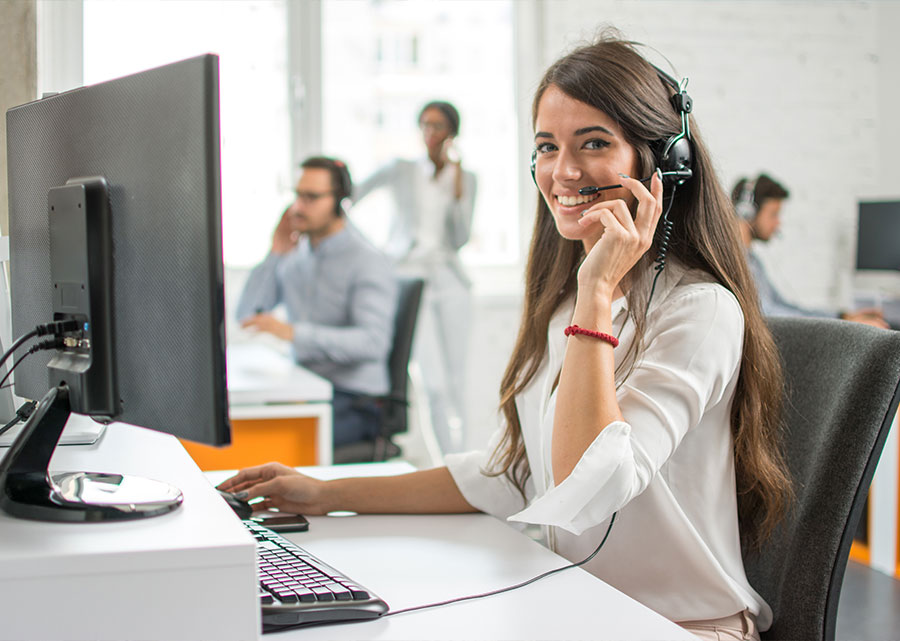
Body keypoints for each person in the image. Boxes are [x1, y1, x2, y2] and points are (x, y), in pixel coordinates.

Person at [221, 35, 794, 640]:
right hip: (580, 609)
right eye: (547, 147)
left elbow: (587, 488)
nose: (563, 171)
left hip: (681, 626)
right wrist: (326, 492)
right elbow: (512, 473)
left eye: (593, 144)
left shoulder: (699, 311)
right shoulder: (568, 303)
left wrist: (598, 287)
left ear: (663, 164)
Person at [235, 156, 398, 448]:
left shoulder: (367, 261)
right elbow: (247, 315)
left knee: (268, 445)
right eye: (297, 195)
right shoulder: (296, 255)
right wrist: (275, 253)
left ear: (339, 202)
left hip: (355, 401)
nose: (298, 207)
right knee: (240, 428)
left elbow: (373, 342)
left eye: (311, 197)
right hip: (305, 388)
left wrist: (295, 333)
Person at [353, 101, 477, 454]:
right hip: (409, 276)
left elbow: (460, 238)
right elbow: (351, 196)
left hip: (449, 280)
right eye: (424, 125)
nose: (429, 133)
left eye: (437, 126)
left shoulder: (465, 179)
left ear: (451, 133)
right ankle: (444, 464)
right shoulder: (401, 170)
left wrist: (457, 194)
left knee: (457, 379)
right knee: (432, 382)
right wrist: (378, 253)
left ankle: (463, 460)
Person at [732, 174, 888, 328]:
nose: (778, 224)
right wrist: (844, 325)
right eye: (773, 214)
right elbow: (769, 315)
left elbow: (784, 307)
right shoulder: (736, 263)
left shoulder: (753, 262)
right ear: (747, 211)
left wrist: (842, 317)